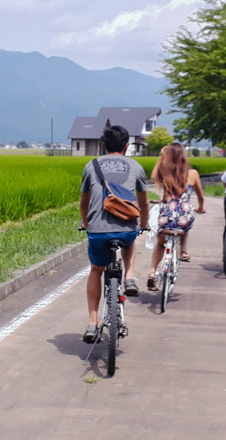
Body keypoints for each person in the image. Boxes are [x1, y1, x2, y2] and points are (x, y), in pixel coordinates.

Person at [79, 124, 150, 343]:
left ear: (103, 145)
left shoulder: (91, 166)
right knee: (131, 237)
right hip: (125, 229)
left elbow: (84, 202)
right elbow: (144, 202)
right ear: (127, 146)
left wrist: (86, 223)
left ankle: (92, 324)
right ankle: (129, 277)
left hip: (98, 231)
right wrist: (144, 224)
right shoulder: (136, 166)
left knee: (96, 270)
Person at [146, 143, 205, 289]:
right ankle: (183, 251)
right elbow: (201, 197)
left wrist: (161, 157)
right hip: (184, 215)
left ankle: (153, 272)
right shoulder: (193, 174)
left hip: (165, 215)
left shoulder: (164, 171)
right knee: (184, 223)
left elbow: (153, 177)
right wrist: (200, 208)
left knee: (160, 243)